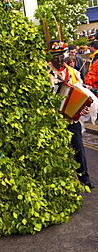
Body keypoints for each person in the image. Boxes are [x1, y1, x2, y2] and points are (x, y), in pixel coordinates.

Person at [48, 40, 95, 189]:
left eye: (62, 55)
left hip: (71, 119)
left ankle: (84, 178)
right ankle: (63, 180)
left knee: (78, 148)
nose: (60, 59)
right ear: (51, 57)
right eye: (56, 56)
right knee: (59, 151)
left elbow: (81, 93)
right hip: (54, 120)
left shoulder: (72, 72)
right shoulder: (44, 73)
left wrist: (84, 108)